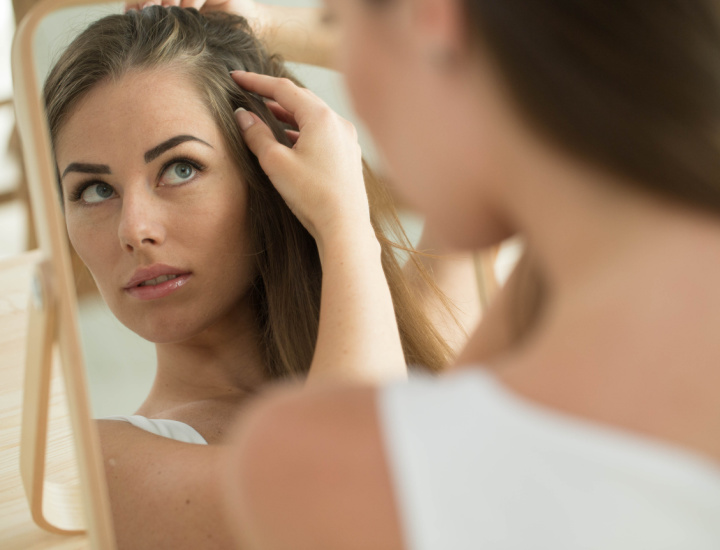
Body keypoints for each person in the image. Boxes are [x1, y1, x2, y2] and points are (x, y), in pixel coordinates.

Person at [207, 1, 720, 548]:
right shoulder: (567, 289)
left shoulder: (322, 468)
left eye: (335, 21)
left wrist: (346, 226)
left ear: (431, 17)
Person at [43, 6, 465, 548]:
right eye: (94, 191)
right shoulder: (100, 466)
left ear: (268, 173)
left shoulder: (414, 354)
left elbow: (501, 104)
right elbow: (347, 515)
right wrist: (343, 225)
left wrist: (262, 36)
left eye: (179, 168)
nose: (134, 229)